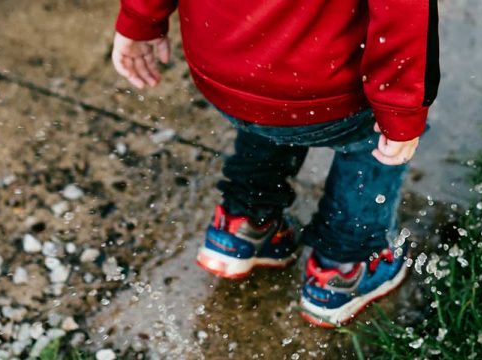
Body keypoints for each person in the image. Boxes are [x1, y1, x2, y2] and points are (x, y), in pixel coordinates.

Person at [112, 0, 439, 328]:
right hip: (324, 84)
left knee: (267, 101)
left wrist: (139, 19)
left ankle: (244, 222)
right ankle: (345, 265)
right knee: (371, 141)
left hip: (225, 69)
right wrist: (401, 109)